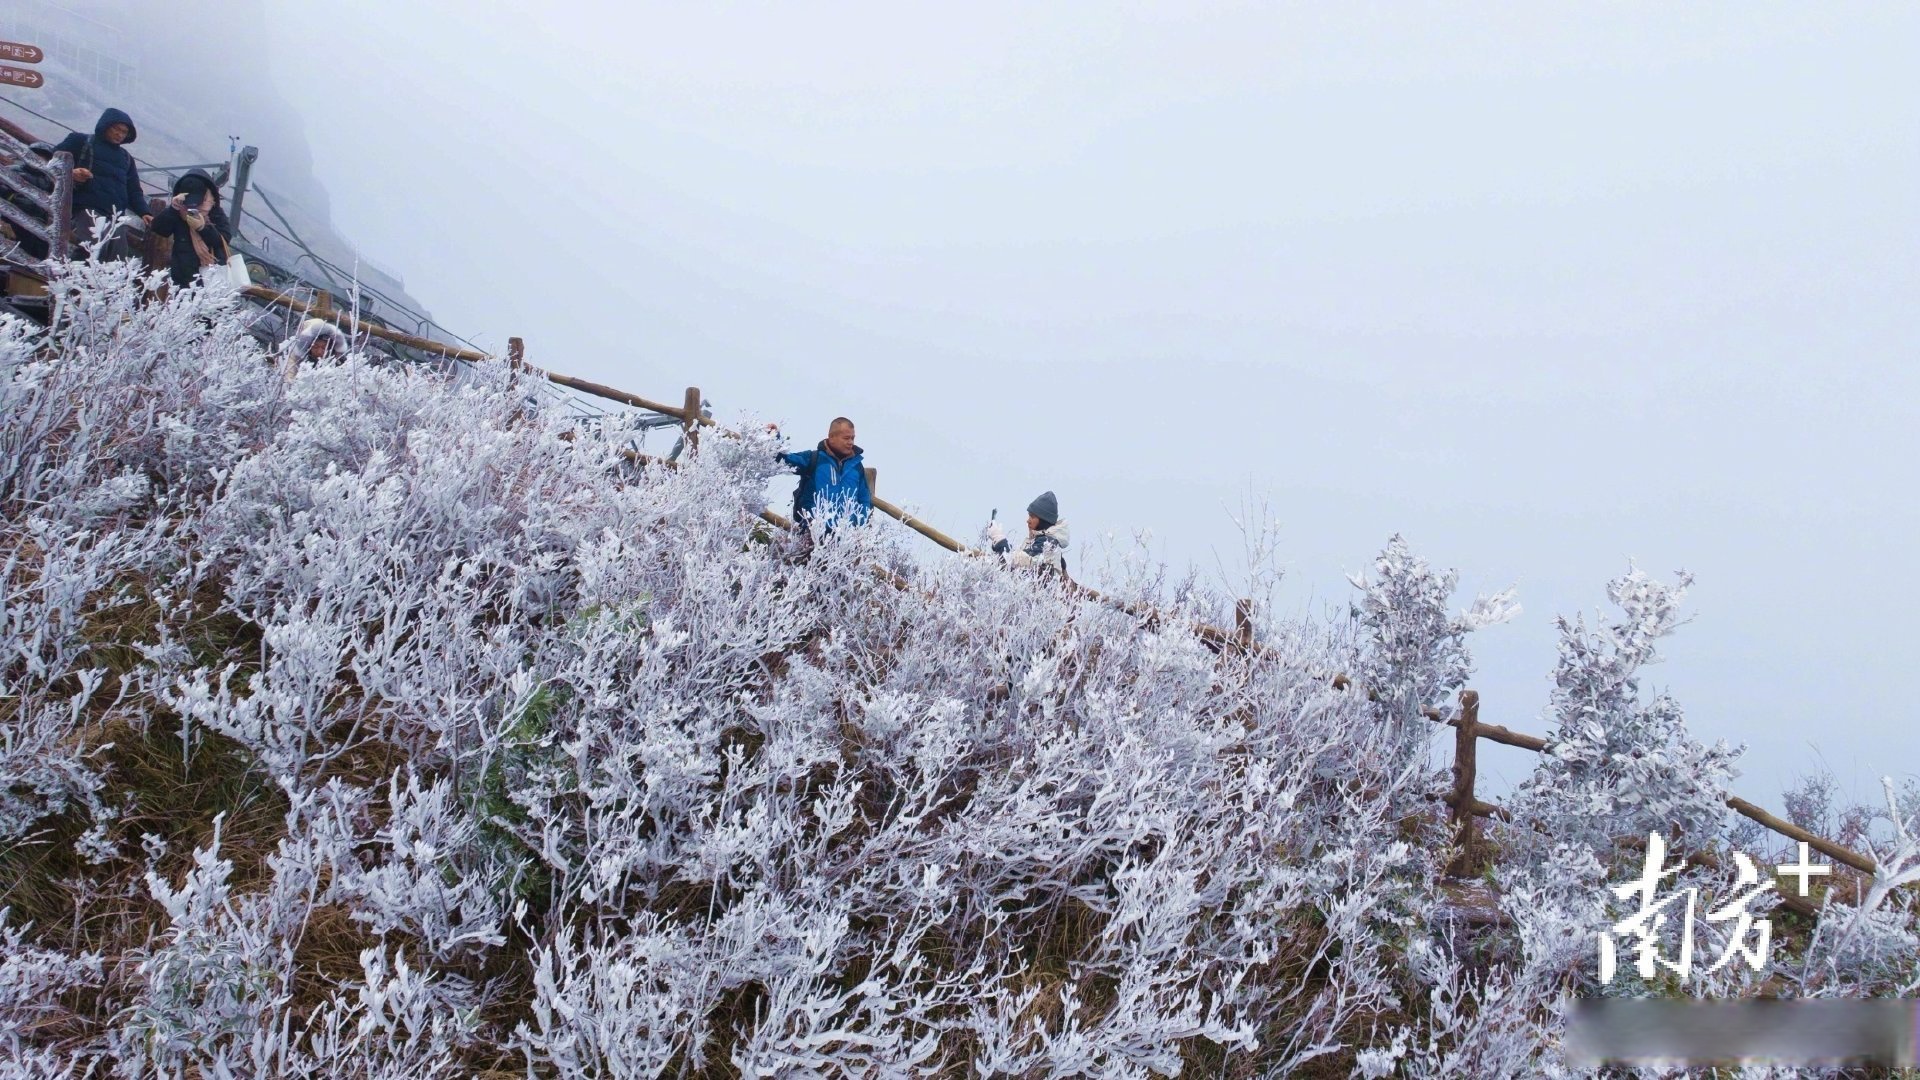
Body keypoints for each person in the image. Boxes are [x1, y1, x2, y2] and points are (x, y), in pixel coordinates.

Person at [53, 108, 150, 254]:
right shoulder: (81, 141)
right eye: (116, 129)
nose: (119, 134)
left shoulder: (126, 158)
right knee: (93, 249)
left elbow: (134, 190)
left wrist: (144, 212)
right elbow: (54, 160)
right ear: (105, 125)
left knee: (117, 258)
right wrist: (71, 172)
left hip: (115, 216)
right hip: (84, 208)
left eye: (124, 132)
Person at [775, 416, 873, 532]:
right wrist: (774, 438)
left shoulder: (856, 466)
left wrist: (859, 524)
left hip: (847, 535)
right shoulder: (813, 459)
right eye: (846, 438)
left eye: (853, 438)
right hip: (813, 533)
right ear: (832, 437)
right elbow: (785, 459)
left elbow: (864, 499)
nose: (850, 442)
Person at [148, 170, 233, 290]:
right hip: (183, 280)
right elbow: (159, 229)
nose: (193, 205)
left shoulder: (214, 212)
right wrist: (173, 209)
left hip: (211, 280)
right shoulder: (179, 212)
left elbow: (224, 239)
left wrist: (203, 228)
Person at [985, 491, 1070, 576]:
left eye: (1032, 516)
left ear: (1043, 520)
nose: (1028, 520)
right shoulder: (1044, 542)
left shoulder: (1046, 543)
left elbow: (1012, 561)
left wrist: (998, 538)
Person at [282, 317, 349, 367]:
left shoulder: (339, 362)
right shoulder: (294, 359)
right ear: (308, 346)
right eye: (315, 347)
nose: (319, 351)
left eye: (324, 348)